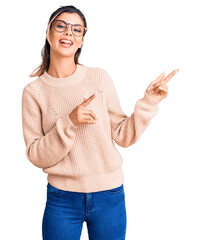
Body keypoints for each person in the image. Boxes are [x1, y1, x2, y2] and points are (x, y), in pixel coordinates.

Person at [21, 5, 179, 240]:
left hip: (110, 196)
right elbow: (36, 155)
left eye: (77, 30)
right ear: (48, 32)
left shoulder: (98, 78)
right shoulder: (34, 92)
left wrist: (149, 102)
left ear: (82, 40)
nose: (68, 34)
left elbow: (123, 135)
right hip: (62, 199)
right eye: (61, 26)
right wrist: (70, 122)